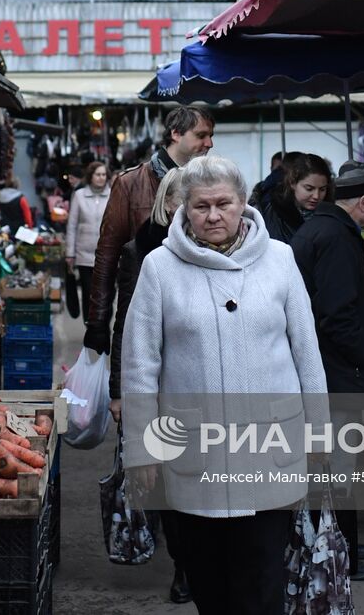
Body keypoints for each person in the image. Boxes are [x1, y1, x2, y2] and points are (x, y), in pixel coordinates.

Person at [121, 156, 328, 615]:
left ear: (243, 203)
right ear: (183, 208)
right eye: (201, 206)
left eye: (223, 204)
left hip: (270, 447)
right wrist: (140, 449)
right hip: (195, 451)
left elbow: (306, 353)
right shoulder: (160, 267)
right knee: (211, 587)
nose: (213, 216)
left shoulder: (279, 259)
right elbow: (139, 365)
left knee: (263, 586)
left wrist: (319, 434)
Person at [289, 160, 364, 582]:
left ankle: (335, 548)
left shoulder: (323, 229)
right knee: (337, 469)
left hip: (327, 370)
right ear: (362, 202)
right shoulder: (336, 238)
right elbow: (337, 314)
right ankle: (336, 556)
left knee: (330, 465)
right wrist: (363, 361)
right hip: (335, 374)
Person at [110, 167, 189, 603]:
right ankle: (184, 565)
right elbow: (128, 327)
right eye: (186, 203)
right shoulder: (141, 252)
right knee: (169, 483)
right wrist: (119, 392)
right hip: (156, 386)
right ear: (168, 203)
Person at [84, 106, 214, 355]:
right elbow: (107, 255)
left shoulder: (211, 182)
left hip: (196, 311)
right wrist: (98, 321)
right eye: (201, 135)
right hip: (141, 305)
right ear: (176, 134)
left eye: (210, 135)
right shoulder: (131, 183)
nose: (209, 143)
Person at [64, 161, 111, 320]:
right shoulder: (79, 195)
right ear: (90, 176)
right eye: (98, 174)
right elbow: (72, 225)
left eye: (104, 175)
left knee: (106, 293)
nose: (101, 178)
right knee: (88, 293)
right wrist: (70, 254)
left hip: (107, 255)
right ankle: (89, 326)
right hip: (83, 255)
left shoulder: (113, 195)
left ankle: (103, 325)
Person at [260, 153, 332, 245]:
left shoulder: (330, 214)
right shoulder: (273, 213)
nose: (316, 196)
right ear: (293, 183)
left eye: (322, 189)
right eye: (309, 189)